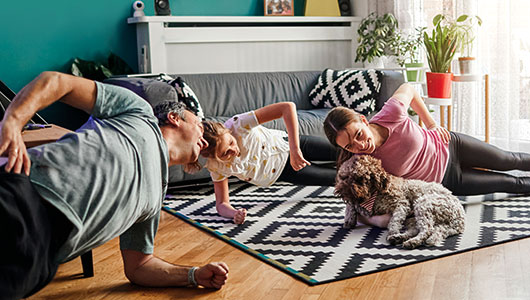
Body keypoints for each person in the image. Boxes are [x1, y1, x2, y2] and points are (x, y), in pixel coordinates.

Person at [0, 72, 229, 300]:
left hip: (40, 257)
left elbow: (140, 267)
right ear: (174, 117)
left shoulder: (156, 197)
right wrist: (12, 121)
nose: (205, 138)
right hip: (26, 195)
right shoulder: (139, 112)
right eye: (199, 125)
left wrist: (193, 275)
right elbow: (59, 82)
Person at [323, 83, 530, 227]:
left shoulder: (391, 113)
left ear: (362, 119)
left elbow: (410, 88)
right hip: (446, 182)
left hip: (451, 145)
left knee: (508, 159)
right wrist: (377, 220)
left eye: (358, 135)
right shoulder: (362, 163)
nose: (360, 146)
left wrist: (430, 123)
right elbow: (360, 204)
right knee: (507, 184)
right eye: (350, 147)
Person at [192, 102, 337, 224]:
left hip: (290, 144)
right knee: (339, 178)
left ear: (227, 131)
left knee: (342, 151)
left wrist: (294, 149)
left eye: (231, 142)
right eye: (225, 153)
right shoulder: (215, 167)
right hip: (285, 171)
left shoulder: (238, 124)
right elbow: (221, 204)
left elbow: (287, 107)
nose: (233, 150)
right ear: (213, 158)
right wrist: (233, 213)